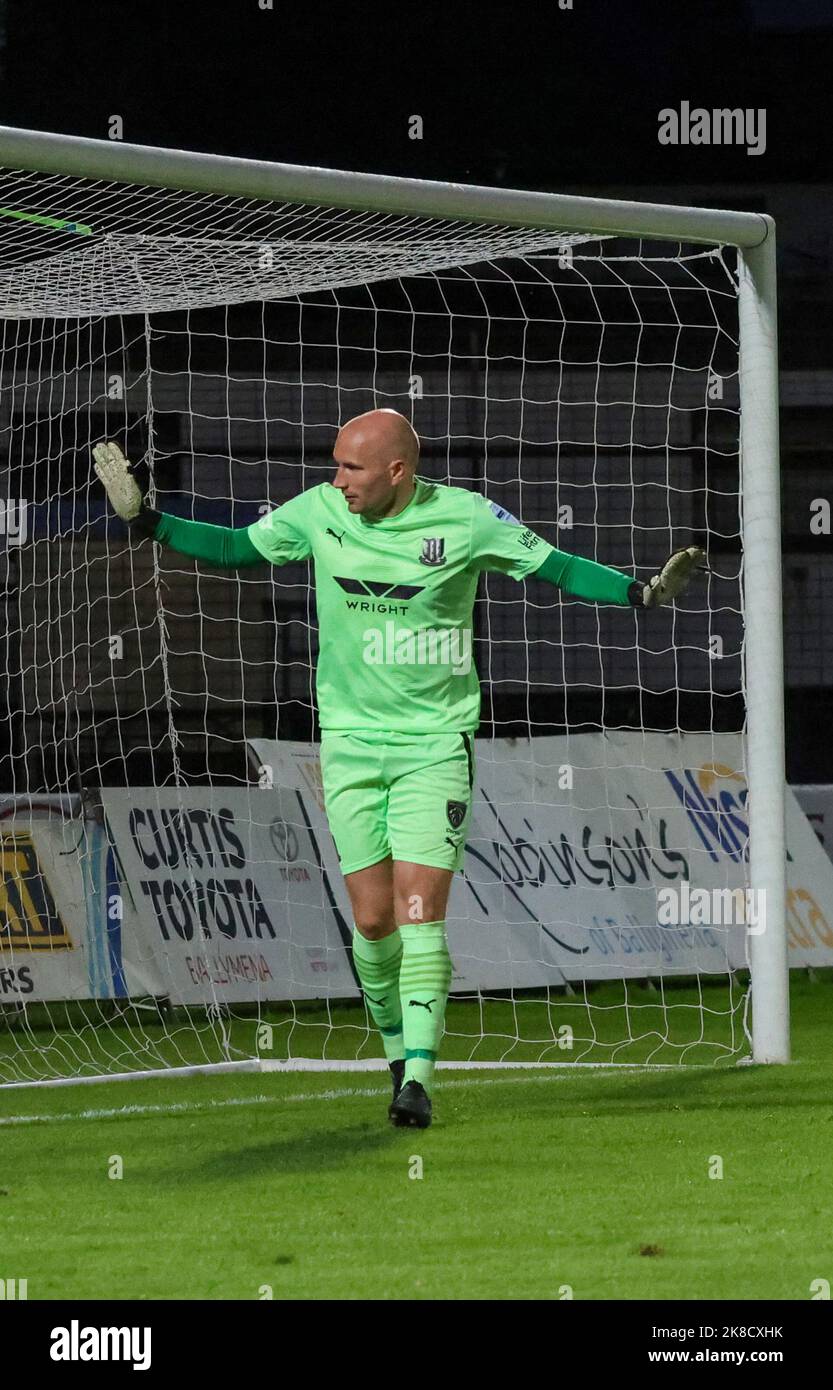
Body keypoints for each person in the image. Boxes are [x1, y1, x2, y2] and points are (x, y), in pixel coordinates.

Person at [93, 410, 704, 1128]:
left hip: (433, 747)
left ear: (397, 472)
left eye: (351, 468)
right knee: (373, 921)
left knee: (420, 914)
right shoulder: (319, 512)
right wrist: (148, 519)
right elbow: (233, 548)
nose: (337, 479)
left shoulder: (467, 520)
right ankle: (395, 1055)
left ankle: (417, 1076)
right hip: (348, 749)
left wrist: (638, 594)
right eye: (335, 463)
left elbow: (556, 566)